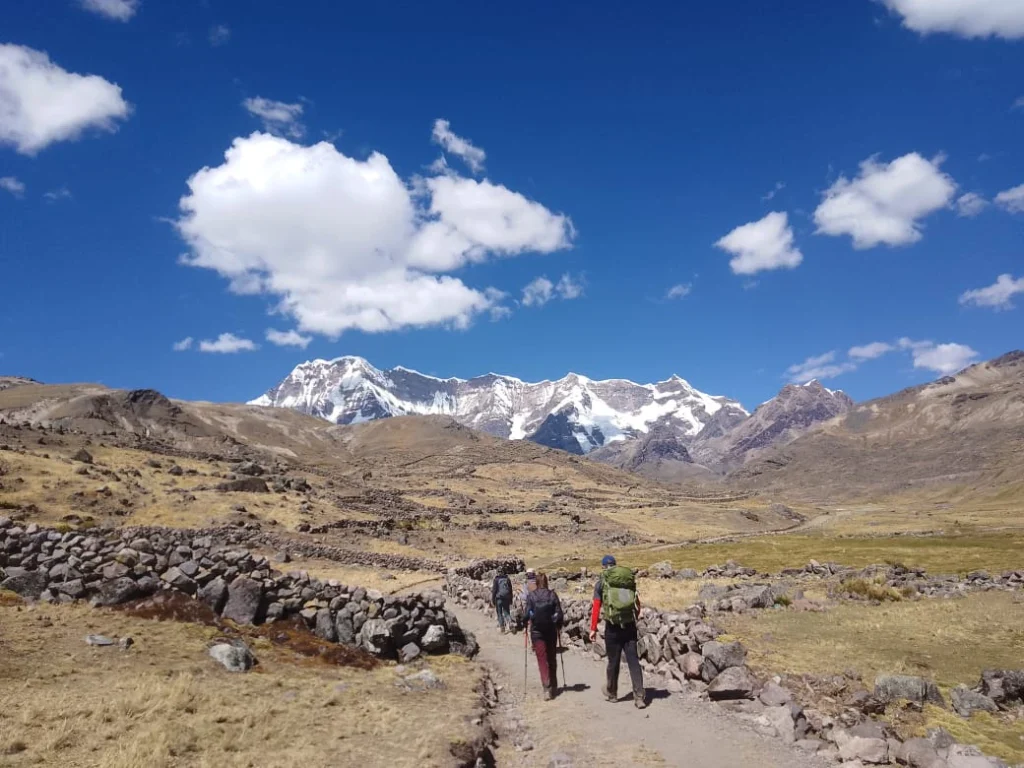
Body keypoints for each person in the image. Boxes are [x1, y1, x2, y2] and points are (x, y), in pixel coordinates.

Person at [589, 555, 646, 708]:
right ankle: (639, 697)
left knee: (613, 662)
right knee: (633, 661)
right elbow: (637, 604)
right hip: (629, 626)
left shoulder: (601, 583)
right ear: (615, 565)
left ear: (603, 567)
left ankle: (612, 693)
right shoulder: (626, 581)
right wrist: (635, 616)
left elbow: (596, 607)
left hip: (612, 627)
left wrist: (593, 629)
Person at [525, 572, 563, 700]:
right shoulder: (552, 595)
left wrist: (525, 622)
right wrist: (558, 625)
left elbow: (526, 615)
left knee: (542, 659)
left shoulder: (531, 596)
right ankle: (554, 685)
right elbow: (559, 614)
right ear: (547, 581)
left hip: (537, 632)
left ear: (536, 582)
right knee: (552, 658)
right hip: (551, 631)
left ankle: (546, 687)